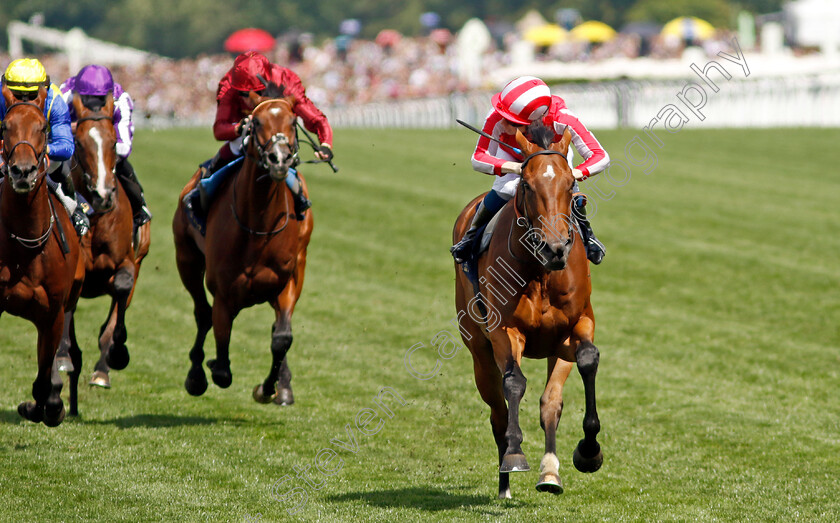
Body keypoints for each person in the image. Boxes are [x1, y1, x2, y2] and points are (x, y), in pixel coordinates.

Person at [451, 76, 610, 265]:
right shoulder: (497, 117)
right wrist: (516, 168)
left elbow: (601, 156)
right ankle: (471, 235)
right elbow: (478, 158)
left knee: (565, 189)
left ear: (532, 123)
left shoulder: (564, 119)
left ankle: (587, 234)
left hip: (554, 157)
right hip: (514, 157)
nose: (502, 123)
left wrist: (572, 174)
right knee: (507, 188)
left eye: (511, 122)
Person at [183, 51, 334, 234]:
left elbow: (316, 118)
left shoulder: (286, 81)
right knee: (233, 148)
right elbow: (219, 129)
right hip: (245, 130)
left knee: (282, 158)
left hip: (276, 132)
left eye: (254, 93)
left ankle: (300, 203)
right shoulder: (229, 84)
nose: (248, 99)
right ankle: (201, 194)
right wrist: (238, 128)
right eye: (242, 94)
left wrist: (325, 143)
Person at [0, 58, 89, 236]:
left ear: (43, 90)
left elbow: (66, 147)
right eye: (17, 93)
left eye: (31, 94)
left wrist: (43, 151)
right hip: (6, 152)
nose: (24, 100)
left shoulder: (54, 101)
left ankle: (74, 208)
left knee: (62, 169)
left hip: (42, 154)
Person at [60, 64, 153, 230]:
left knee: (123, 167)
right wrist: (82, 131)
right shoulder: (65, 95)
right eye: (87, 100)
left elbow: (124, 148)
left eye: (100, 100)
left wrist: (101, 137)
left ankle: (139, 209)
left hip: (105, 147)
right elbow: (54, 133)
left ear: (109, 96)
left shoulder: (121, 100)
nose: (94, 107)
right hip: (75, 147)